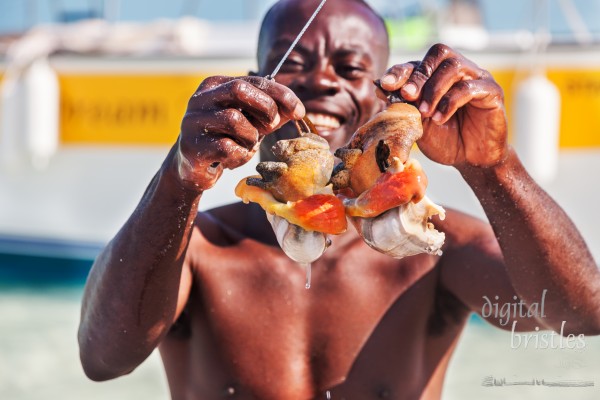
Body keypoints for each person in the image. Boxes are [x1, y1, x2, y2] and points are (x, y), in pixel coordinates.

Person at [78, 0, 600, 399]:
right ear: (254, 85)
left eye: (351, 68)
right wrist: (179, 177)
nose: (321, 81)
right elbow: (103, 359)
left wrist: (493, 168)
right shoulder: (198, 248)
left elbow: (577, 316)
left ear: (382, 96)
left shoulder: (434, 250)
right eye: (294, 62)